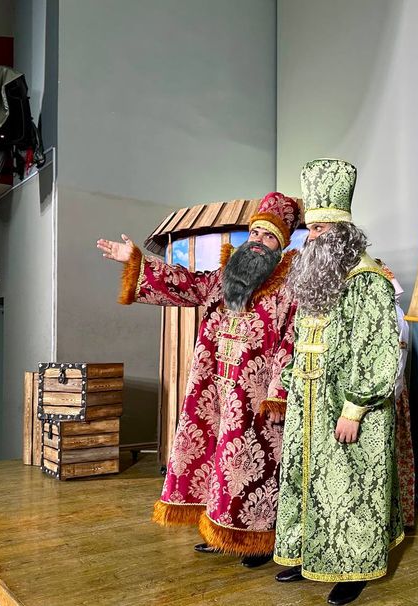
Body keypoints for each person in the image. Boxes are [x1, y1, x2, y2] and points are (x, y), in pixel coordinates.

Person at [96, 192, 301, 567]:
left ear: (282, 245)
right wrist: (138, 262)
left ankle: (258, 540)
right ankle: (219, 530)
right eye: (255, 233)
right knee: (215, 463)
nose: (258, 241)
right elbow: (186, 283)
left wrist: (278, 394)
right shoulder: (226, 278)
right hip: (216, 389)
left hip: (255, 398)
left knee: (251, 469)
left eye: (269, 236)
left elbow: (292, 342)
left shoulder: (289, 290)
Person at [273, 158, 403, 605]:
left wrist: (354, 408)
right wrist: (289, 382)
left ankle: (353, 567)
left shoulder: (368, 281)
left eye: (320, 230)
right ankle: (306, 553)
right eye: (310, 230)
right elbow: (303, 340)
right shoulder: (320, 278)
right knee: (303, 478)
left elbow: (378, 349)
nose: (311, 238)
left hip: (347, 406)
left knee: (349, 487)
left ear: (342, 232)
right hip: (307, 401)